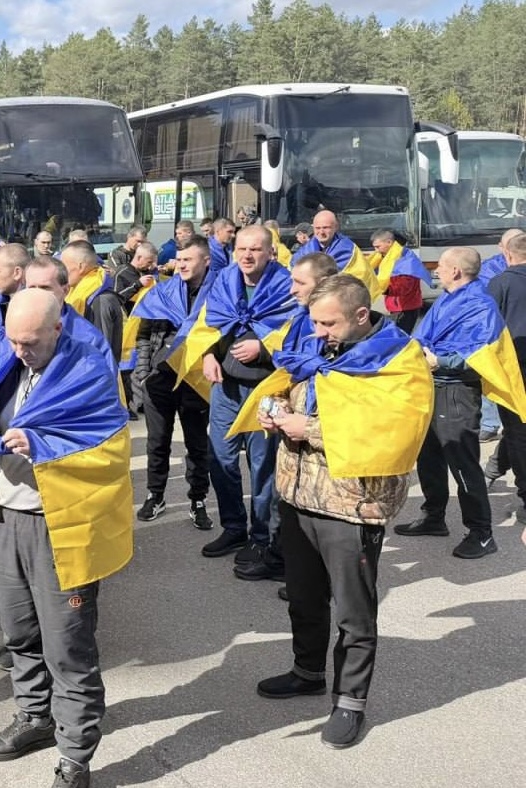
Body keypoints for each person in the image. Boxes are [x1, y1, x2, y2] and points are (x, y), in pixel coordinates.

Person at [0, 288, 133, 788]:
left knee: (68, 648)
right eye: (11, 340)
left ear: (59, 329)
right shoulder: (6, 366)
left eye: (30, 342)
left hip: (60, 528)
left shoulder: (91, 372)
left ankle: (76, 757)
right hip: (5, 519)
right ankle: (34, 717)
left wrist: (41, 444)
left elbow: (111, 451)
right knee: (20, 636)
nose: (19, 351)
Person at [248, 274, 433, 750]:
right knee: (304, 597)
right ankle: (306, 671)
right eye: (313, 321)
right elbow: (295, 387)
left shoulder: (398, 359)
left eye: (327, 322)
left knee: (354, 612)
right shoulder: (319, 348)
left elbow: (391, 432)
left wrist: (305, 427)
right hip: (298, 495)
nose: (316, 331)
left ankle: (350, 702)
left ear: (360, 316)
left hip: (353, 504)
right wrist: (273, 409)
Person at [398, 247, 526, 559]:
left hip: (456, 391)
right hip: (431, 384)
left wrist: (439, 358)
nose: (436, 271)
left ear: (455, 270)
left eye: (440, 266)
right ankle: (434, 516)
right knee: (428, 455)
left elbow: (482, 353)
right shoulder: (449, 297)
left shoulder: (479, 304)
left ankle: (481, 533)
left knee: (462, 460)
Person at [179, 225, 296, 563]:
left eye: (255, 250)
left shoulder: (285, 285)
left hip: (266, 387)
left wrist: (263, 347)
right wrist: (209, 354)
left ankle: (262, 536)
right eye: (241, 249)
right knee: (221, 458)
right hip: (226, 388)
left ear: (270, 253)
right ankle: (234, 527)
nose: (247, 255)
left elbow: (296, 330)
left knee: (263, 467)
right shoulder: (224, 281)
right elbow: (205, 324)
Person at [232, 252, 340, 583]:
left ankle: (313, 576)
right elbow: (286, 372)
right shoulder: (299, 320)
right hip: (293, 429)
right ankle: (282, 560)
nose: (291, 290)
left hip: (320, 436)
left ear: (323, 285)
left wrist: (305, 423)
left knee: (317, 509)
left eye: (299, 282)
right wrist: (275, 405)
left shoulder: (340, 331)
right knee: (286, 498)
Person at [131, 235, 215, 529]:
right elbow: (143, 334)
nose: (181, 265)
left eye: (188, 260)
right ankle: (155, 495)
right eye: (179, 259)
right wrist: (142, 373)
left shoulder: (218, 295)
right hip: (160, 379)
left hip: (195, 380)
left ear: (206, 261)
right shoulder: (161, 293)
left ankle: (198, 499)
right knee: (157, 443)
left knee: (197, 444)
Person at [484, 233, 526, 511]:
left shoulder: (499, 283)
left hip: (513, 371)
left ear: (507, 255)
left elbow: (485, 329)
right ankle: (495, 468)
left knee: (517, 431)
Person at [290, 210, 379, 295]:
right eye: (317, 228)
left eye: (325, 227)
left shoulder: (347, 249)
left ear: (335, 227)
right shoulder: (307, 248)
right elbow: (293, 267)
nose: (321, 232)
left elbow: (344, 280)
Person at [367, 229, 426, 333]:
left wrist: (382, 288)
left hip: (405, 307)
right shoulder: (389, 258)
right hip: (397, 306)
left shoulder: (405, 259)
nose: (376, 251)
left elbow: (404, 287)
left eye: (378, 247)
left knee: (400, 337)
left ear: (389, 242)